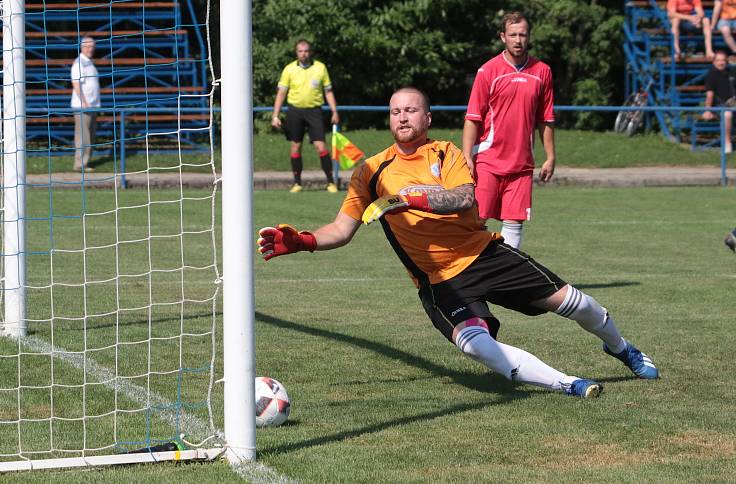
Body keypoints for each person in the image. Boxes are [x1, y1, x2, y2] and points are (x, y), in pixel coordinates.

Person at [258, 87, 660, 399]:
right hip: (438, 281)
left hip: (485, 254)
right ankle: (566, 383)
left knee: (577, 304)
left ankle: (622, 348)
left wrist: (416, 196)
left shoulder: (445, 152)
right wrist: (304, 241)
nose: (403, 116)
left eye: (411, 109)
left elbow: (463, 198)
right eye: (396, 111)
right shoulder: (370, 171)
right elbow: (342, 230)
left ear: (427, 117)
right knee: (475, 345)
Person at [462, 11, 554, 250]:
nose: (518, 40)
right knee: (477, 221)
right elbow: (472, 118)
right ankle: (469, 276)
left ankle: (506, 280)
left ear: (529, 36)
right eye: (512, 34)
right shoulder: (488, 72)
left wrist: (550, 157)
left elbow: (546, 119)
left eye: (522, 34)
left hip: (522, 165)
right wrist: (466, 157)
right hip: (488, 160)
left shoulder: (542, 72)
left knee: (514, 224)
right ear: (503, 37)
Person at [271, 39, 340, 193]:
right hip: (295, 111)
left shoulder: (320, 68)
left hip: (314, 111)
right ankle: (297, 183)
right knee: (295, 146)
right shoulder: (289, 69)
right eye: (300, 51)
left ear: (310, 52)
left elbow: (328, 91)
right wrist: (275, 115)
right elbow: (281, 93)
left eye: (306, 51)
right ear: (296, 53)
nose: (303, 54)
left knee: (320, 146)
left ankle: (330, 182)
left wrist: (334, 111)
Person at [70, 36, 100, 172]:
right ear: (82, 47)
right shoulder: (79, 63)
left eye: (92, 46)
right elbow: (76, 83)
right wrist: (84, 102)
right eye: (88, 46)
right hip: (83, 106)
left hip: (92, 105)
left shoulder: (89, 63)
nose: (90, 49)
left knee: (90, 136)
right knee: (83, 137)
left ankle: (85, 162)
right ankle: (80, 164)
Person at [702, 50, 736, 153]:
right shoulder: (711, 74)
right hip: (720, 106)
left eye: (723, 60)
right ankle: (727, 143)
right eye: (718, 60)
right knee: (727, 115)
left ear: (726, 61)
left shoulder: (732, 71)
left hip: (733, 103)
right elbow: (709, 95)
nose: (721, 63)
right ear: (714, 62)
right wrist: (707, 110)